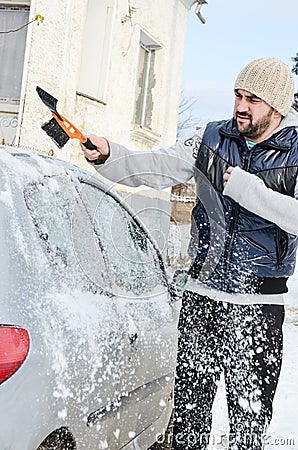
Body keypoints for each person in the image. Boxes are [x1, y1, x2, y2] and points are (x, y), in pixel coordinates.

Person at [81, 57, 298, 449]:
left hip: (257, 306)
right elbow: (156, 167)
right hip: (203, 298)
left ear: (278, 107)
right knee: (186, 422)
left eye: (254, 99)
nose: (241, 106)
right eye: (238, 95)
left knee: (248, 428)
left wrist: (247, 189)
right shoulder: (211, 138)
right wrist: (111, 155)